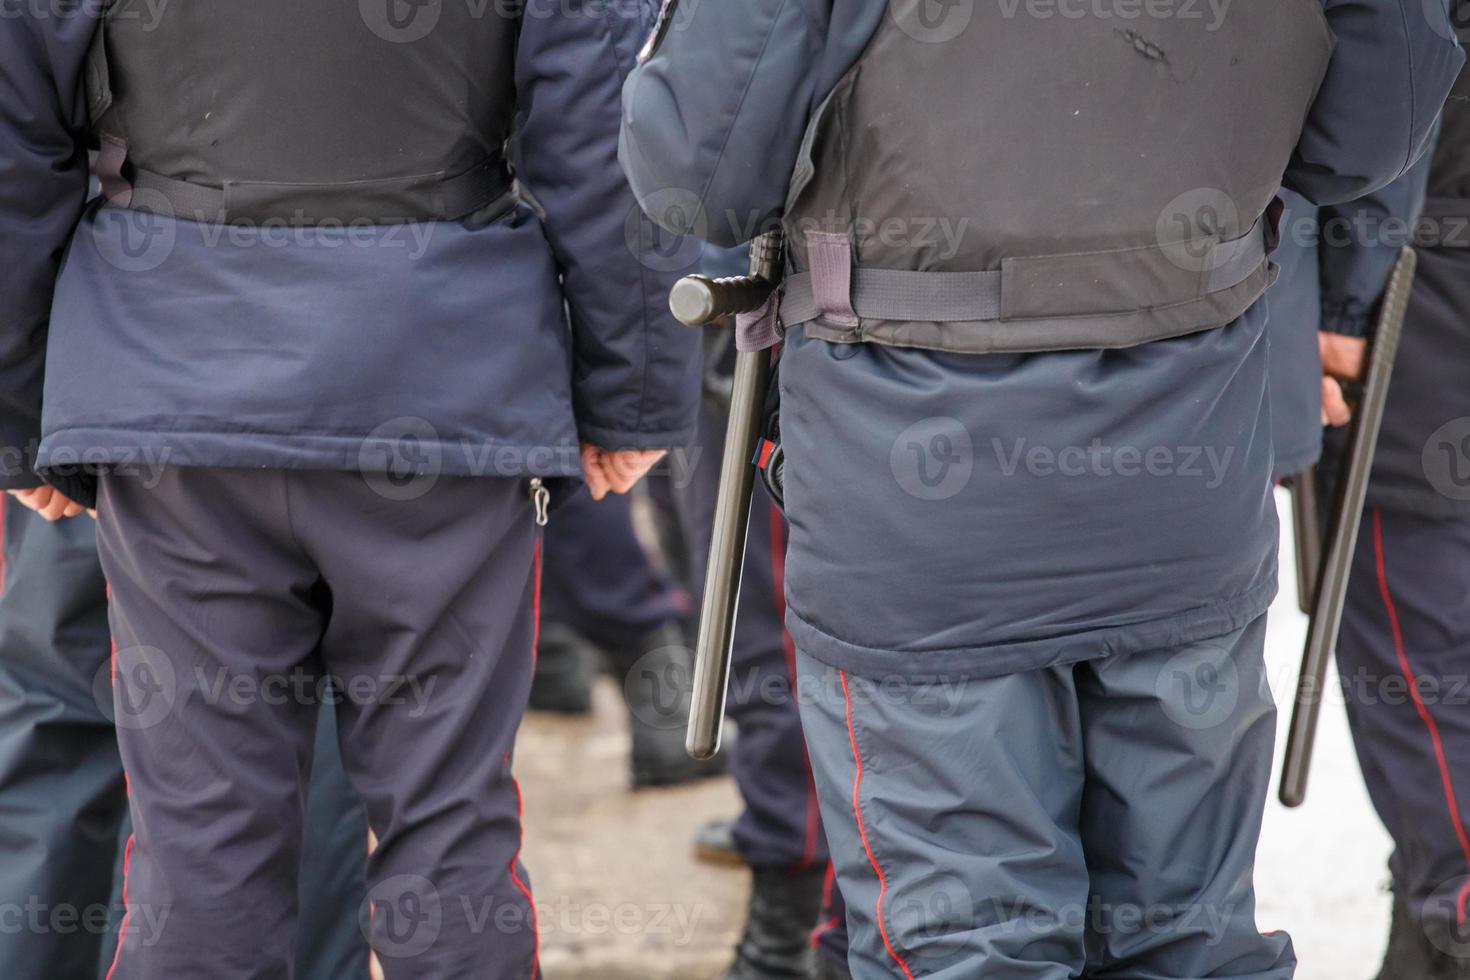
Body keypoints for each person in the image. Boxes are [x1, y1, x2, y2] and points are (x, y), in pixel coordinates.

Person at [623, 4, 1463, 978]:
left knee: (972, 944)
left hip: (925, 499)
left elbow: (696, 175)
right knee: (1185, 936)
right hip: (1180, 469)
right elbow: (1371, 128)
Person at [0, 0, 699, 975]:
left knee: (201, 848)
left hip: (185, 387)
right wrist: (631, 396)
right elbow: (601, 117)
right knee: (450, 826)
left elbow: (16, 131)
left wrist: (21, 421)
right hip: (438, 377)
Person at [0, 501, 370, 979]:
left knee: (69, 724)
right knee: (263, 725)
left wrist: (21, 432)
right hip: (263, 467)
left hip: (113, 453)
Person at [1306, 36, 1470, 977]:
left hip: (1422, 298)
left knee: (1424, 668)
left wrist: (1331, 308)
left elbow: (1388, 54)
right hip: (1417, 273)